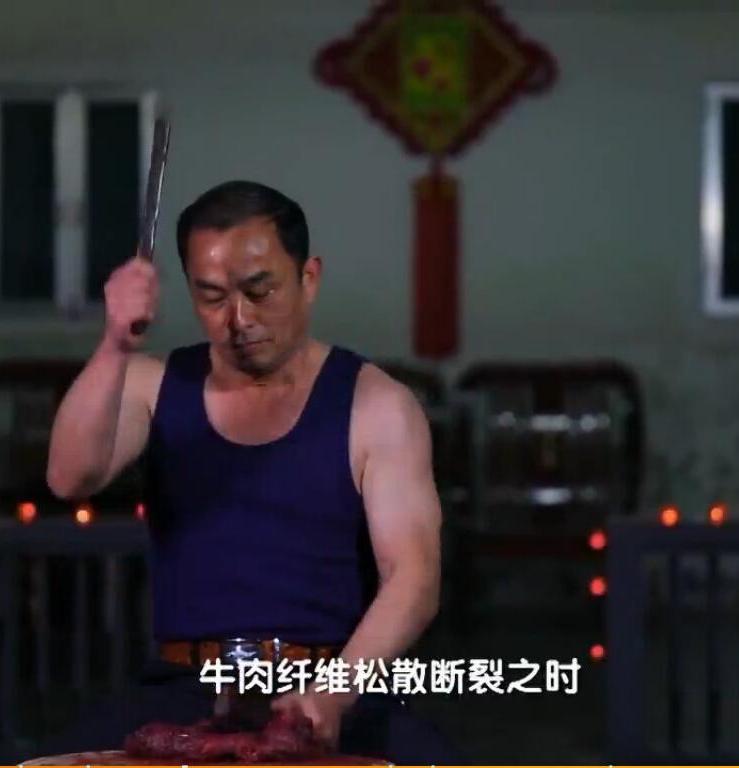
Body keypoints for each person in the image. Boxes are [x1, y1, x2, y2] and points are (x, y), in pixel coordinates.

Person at [43, 180, 464, 762]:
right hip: (183, 688)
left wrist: (333, 693)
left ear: (308, 279)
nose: (238, 319)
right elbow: (68, 478)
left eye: (259, 291)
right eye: (212, 297)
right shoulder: (154, 385)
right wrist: (116, 342)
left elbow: (414, 578)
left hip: (332, 685)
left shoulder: (377, 405)